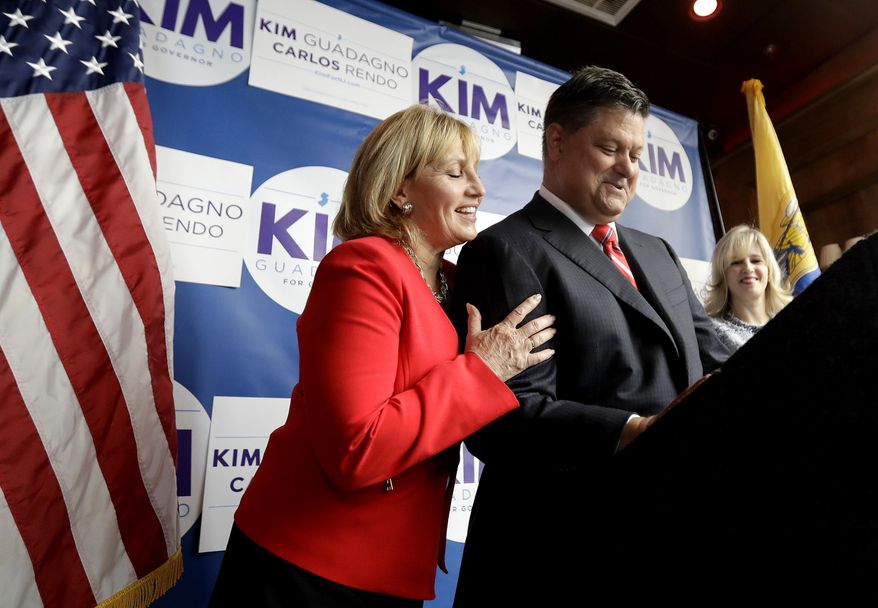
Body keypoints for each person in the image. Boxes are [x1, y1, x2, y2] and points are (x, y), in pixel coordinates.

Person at [209, 104, 556, 607]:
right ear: (399, 189)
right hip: (307, 567)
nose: (478, 189)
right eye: (456, 173)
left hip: (396, 571)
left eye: (476, 173)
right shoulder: (364, 266)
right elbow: (356, 449)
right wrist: (480, 371)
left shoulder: (457, 286)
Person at [448, 66, 731, 606]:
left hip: (679, 538)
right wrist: (635, 429)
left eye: (638, 154)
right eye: (609, 148)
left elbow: (718, 357)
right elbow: (505, 415)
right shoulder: (506, 250)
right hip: (567, 555)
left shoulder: (658, 252)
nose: (628, 169)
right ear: (557, 141)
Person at [704, 224, 792, 352]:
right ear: (722, 276)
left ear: (769, 271)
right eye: (736, 262)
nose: (748, 268)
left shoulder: (791, 325)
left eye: (756, 261)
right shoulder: (711, 333)